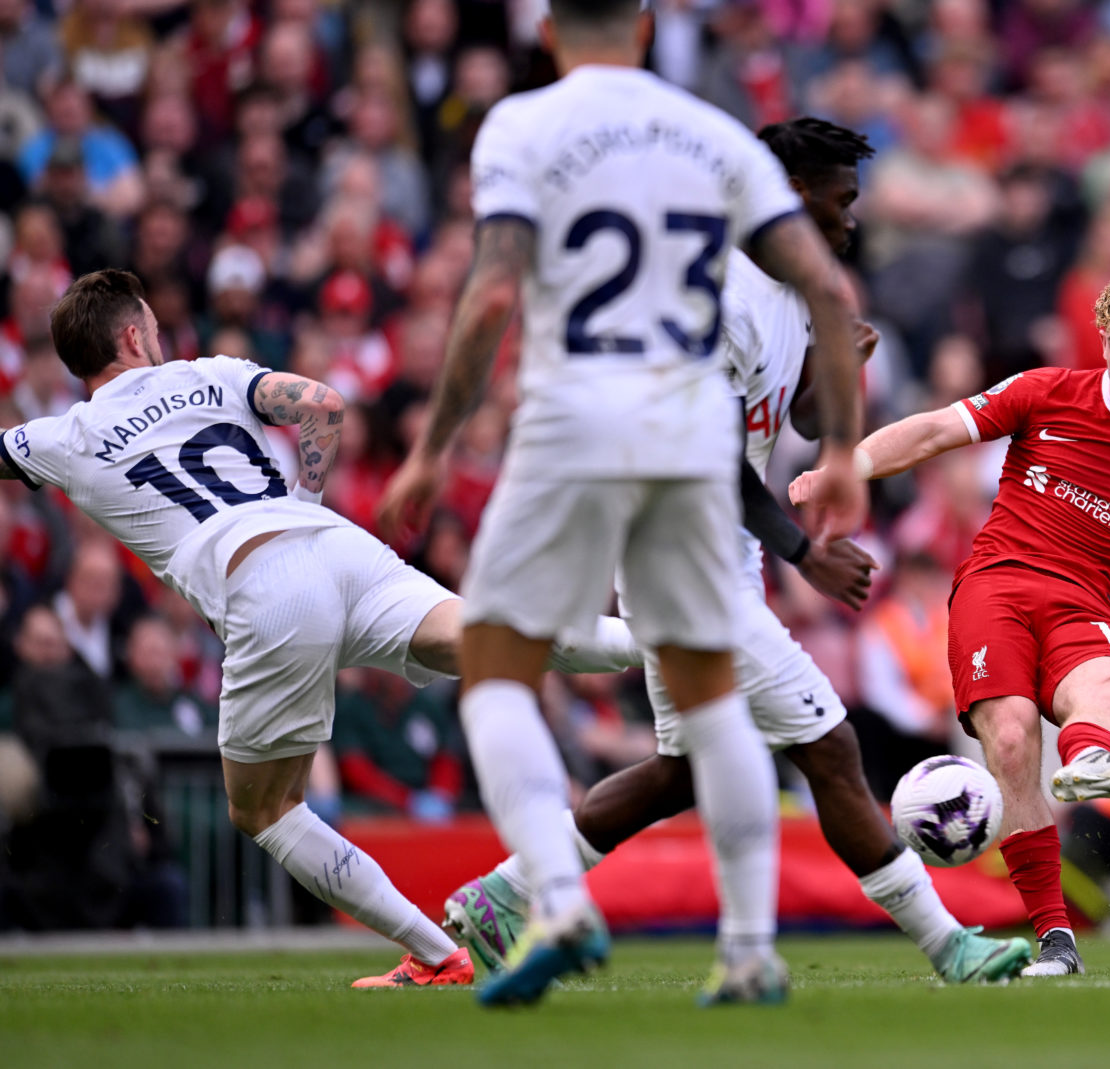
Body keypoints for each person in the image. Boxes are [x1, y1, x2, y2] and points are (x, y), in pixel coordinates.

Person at [441, 118, 1033, 988]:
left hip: (714, 557)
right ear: (789, 195)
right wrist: (805, 552)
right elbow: (711, 452)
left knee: (683, 771)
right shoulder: (714, 295)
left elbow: (793, 425)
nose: (851, 220)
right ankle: (951, 945)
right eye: (840, 202)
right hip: (682, 555)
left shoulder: (796, 289)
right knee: (829, 746)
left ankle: (503, 895)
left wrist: (845, 367)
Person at [377, 0, 868, 1008]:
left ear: (551, 32)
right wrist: (852, 449)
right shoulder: (713, 135)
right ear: (646, 32)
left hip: (570, 423)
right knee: (712, 698)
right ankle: (745, 950)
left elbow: (493, 294)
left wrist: (431, 450)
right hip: (688, 439)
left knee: (498, 671)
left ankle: (552, 901)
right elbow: (824, 285)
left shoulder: (523, 124)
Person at [0, 269, 637, 986]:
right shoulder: (210, 373)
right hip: (334, 544)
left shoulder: (64, 436)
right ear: (131, 335)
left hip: (260, 583)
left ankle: (438, 954)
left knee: (263, 809)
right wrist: (303, 499)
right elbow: (323, 405)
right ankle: (676, 646)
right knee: (491, 637)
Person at [792, 272, 1110, 974]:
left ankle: (1091, 757)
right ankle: (1057, 939)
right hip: (996, 585)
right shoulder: (1046, 391)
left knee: (1106, 684)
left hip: (1090, 602)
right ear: (1101, 342)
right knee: (1009, 738)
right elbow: (941, 427)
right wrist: (846, 467)